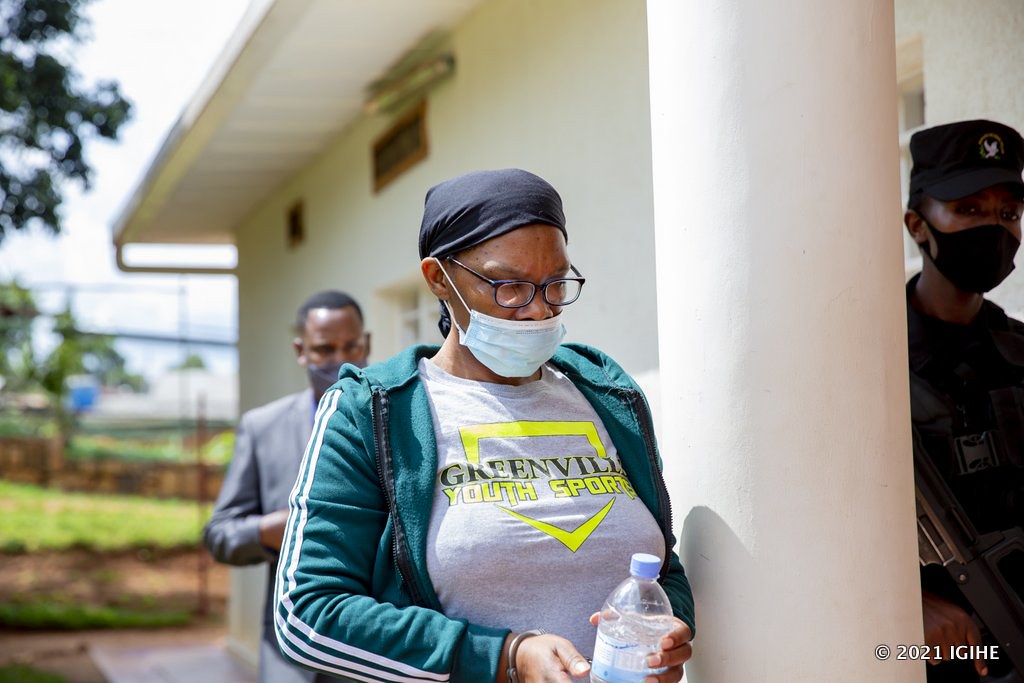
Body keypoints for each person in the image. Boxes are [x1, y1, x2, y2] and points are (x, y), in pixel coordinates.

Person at [274, 169, 695, 683]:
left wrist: (666, 629)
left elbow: (660, 565)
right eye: (509, 286)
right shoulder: (374, 412)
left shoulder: (607, 396)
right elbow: (308, 614)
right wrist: (503, 657)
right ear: (438, 279)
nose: (538, 309)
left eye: (555, 284)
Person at [904, 119, 1024, 682]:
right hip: (918, 655)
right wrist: (904, 606)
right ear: (917, 226)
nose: (995, 228)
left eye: (1008, 213)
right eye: (970, 210)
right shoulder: (864, 367)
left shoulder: (1019, 351)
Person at [204, 290, 370, 683]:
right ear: (301, 350)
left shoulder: (397, 423)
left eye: (351, 346)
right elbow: (220, 533)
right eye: (325, 349)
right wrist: (269, 530)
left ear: (368, 344)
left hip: (370, 650)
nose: (340, 360)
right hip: (287, 654)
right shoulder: (263, 427)